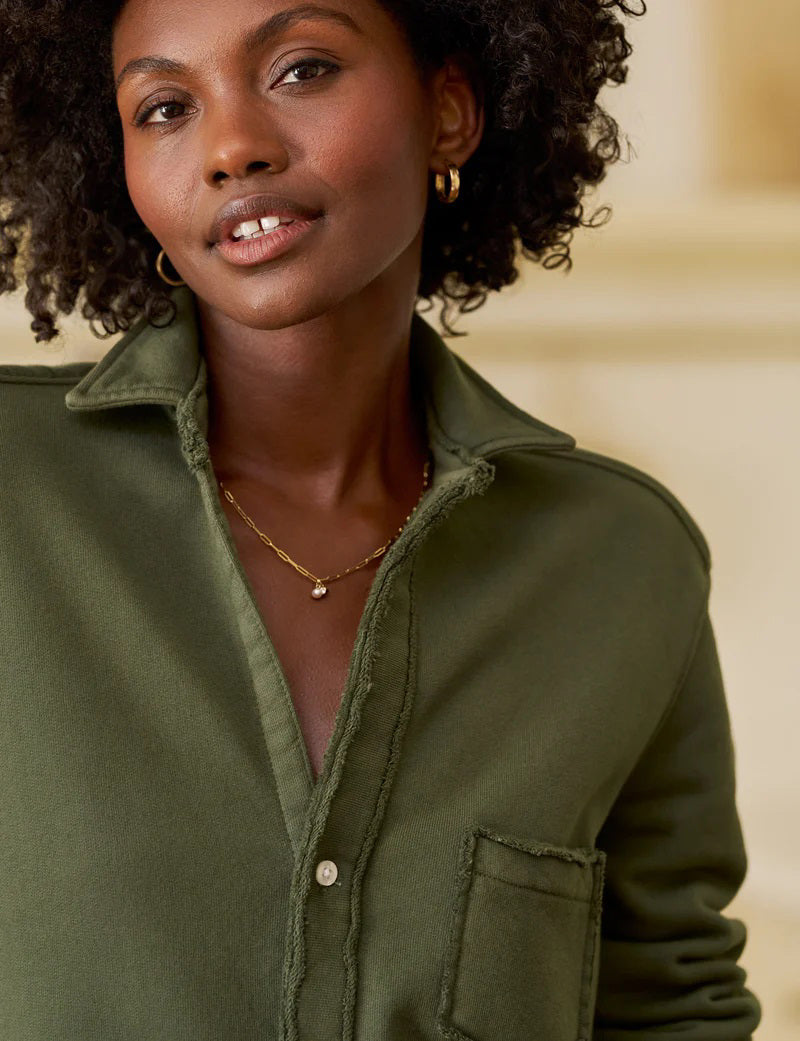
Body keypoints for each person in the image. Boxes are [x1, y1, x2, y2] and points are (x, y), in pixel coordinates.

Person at [0, 1, 762, 1039]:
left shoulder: (621, 564)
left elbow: (668, 1003)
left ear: (447, 111)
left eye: (302, 70)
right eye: (166, 107)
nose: (231, 148)